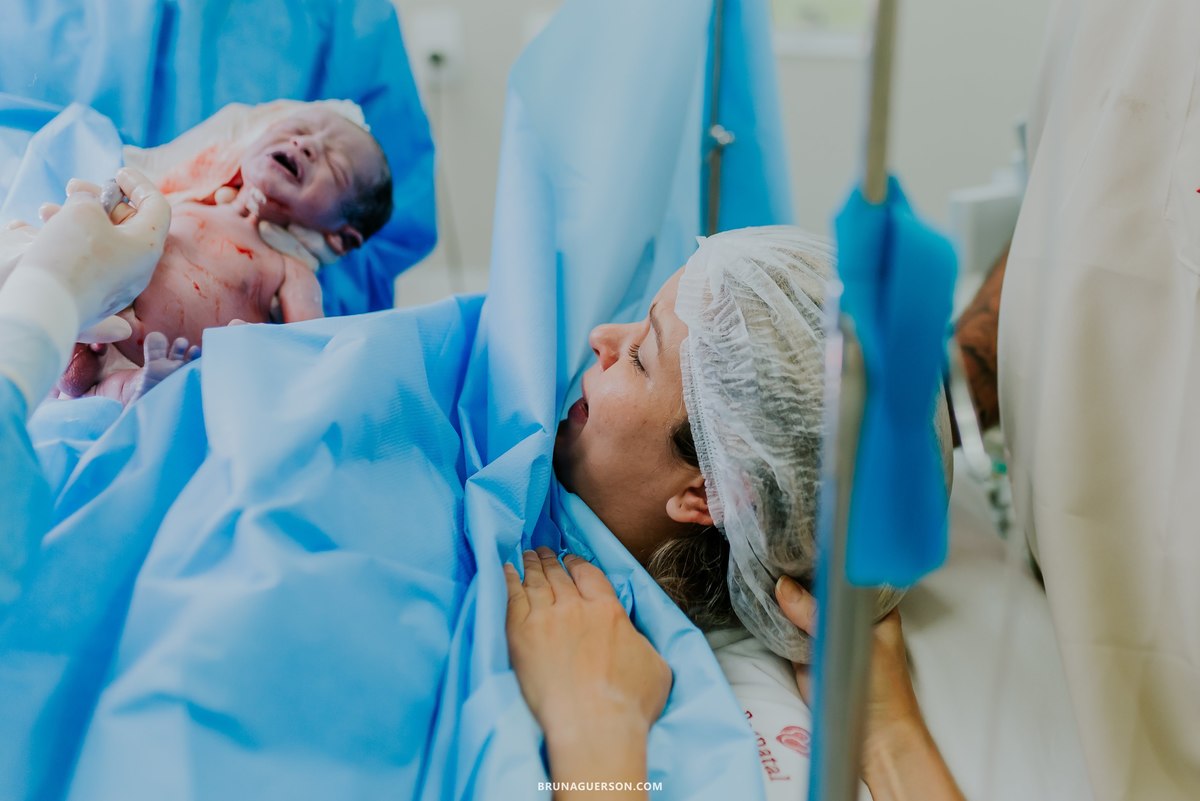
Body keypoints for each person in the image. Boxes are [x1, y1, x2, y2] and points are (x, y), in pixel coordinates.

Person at [509, 226, 963, 799]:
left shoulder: (761, 727)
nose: (601, 337)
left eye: (640, 356)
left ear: (706, 496)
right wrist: (892, 736)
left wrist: (595, 732)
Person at [1, 105, 393, 404]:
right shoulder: (184, 201)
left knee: (123, 390)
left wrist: (261, 351)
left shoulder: (288, 271)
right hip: (92, 318)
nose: (305, 145)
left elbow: (308, 348)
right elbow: (118, 220)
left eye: (335, 166)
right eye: (298, 129)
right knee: (50, 324)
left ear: (341, 238)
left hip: (146, 364)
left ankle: (133, 389)